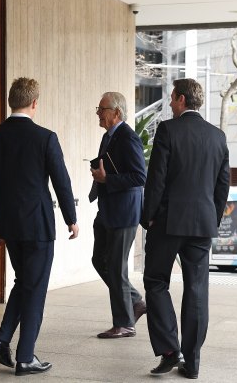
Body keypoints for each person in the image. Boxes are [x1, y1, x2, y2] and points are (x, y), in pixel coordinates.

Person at [0, 77, 78, 376]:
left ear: (11, 101)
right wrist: (71, 218)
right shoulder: (45, 137)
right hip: (38, 225)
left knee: (24, 283)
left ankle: (2, 342)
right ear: (34, 103)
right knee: (35, 289)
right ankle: (25, 356)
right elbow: (62, 180)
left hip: (8, 224)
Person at [142, 78, 230, 379]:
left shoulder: (168, 130)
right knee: (196, 290)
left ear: (181, 99)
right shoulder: (218, 136)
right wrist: (212, 219)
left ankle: (169, 350)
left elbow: (157, 178)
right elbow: (222, 186)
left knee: (155, 282)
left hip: (167, 221)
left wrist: (148, 216)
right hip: (202, 224)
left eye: (171, 98)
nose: (169, 103)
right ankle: (191, 362)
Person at [89, 92, 147, 339]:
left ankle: (124, 323)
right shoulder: (108, 137)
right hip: (108, 210)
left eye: (102, 109)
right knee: (99, 260)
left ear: (117, 113)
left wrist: (107, 179)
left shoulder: (128, 138)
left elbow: (140, 176)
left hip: (124, 212)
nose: (98, 114)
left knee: (115, 267)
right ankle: (135, 301)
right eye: (98, 109)